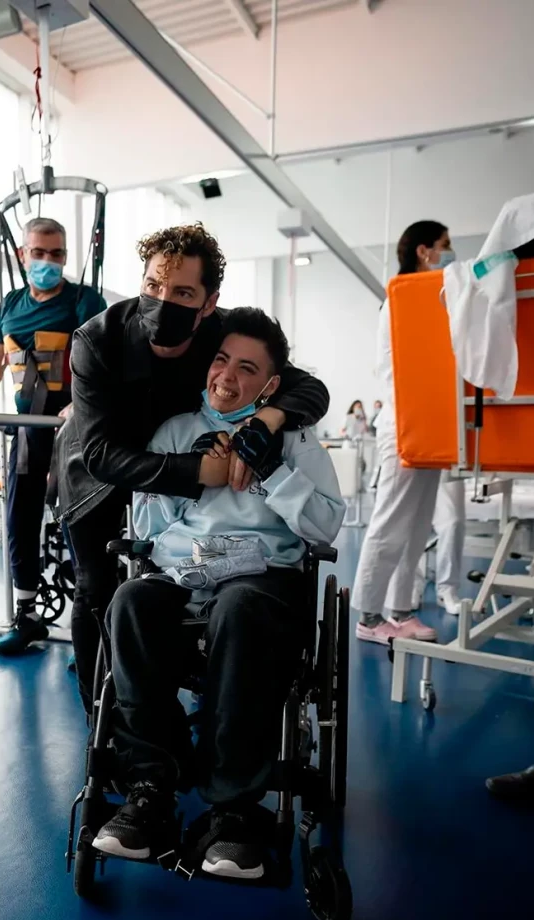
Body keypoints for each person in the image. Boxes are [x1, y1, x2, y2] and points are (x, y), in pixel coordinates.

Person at [91, 308, 344, 878]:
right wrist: (188, 474)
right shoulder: (177, 430)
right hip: (185, 577)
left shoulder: (298, 439)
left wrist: (273, 473)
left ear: (272, 385)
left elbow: (327, 527)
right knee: (129, 601)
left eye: (247, 368)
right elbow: (151, 531)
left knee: (241, 605)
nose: (227, 376)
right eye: (222, 361)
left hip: (262, 586)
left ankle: (234, 808)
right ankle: (152, 784)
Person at [58, 224, 331, 711]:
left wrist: (268, 420)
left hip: (189, 462)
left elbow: (309, 389)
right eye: (153, 287)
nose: (164, 301)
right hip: (100, 475)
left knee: (206, 599)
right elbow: (100, 455)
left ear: (208, 303)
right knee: (99, 592)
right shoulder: (96, 341)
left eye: (183, 292)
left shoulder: (220, 334)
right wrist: (198, 472)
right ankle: (108, 739)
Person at [0, 218, 106, 656]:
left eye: (57, 254)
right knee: (20, 518)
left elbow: (101, 361)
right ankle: (27, 614)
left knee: (80, 522)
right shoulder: (10, 306)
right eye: (39, 253)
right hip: (28, 429)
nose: (48, 261)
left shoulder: (82, 301)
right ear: (23, 255)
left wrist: (81, 405)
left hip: (73, 431)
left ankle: (89, 626)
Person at [352, 220, 456, 645]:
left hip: (431, 424)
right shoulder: (400, 298)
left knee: (416, 524)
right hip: (405, 424)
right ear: (423, 251)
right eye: (445, 246)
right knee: (390, 521)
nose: (450, 253)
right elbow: (395, 369)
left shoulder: (435, 299)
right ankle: (370, 617)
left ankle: (400, 610)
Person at [388, 472, 466, 616]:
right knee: (411, 523)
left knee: (453, 522)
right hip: (415, 461)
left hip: (449, 462)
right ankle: (411, 588)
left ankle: (447, 590)